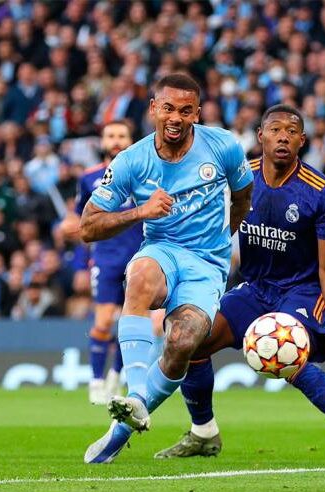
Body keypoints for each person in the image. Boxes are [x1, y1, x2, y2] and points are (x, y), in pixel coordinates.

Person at [153, 105, 325, 463]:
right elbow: (212, 231)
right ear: (260, 136)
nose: (283, 136)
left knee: (288, 356)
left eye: (291, 131)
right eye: (275, 129)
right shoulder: (238, 178)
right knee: (191, 341)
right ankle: (204, 433)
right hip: (255, 287)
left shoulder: (322, 191)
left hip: (302, 290)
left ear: (302, 141)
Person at [81, 73, 254, 463]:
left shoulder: (224, 145)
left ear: (197, 113)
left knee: (182, 342)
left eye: (186, 110)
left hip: (208, 264)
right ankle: (137, 395)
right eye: (168, 108)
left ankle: (123, 425)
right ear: (154, 109)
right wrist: (141, 211)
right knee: (140, 276)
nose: (176, 117)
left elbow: (244, 196)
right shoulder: (131, 160)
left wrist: (224, 239)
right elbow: (87, 227)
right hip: (161, 250)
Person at [61, 120, 163, 405]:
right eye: (111, 136)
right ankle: (95, 382)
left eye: (122, 135)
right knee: (103, 321)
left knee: (131, 320)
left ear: (131, 140)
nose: (116, 140)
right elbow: (84, 225)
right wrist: (82, 264)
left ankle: (115, 379)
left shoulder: (145, 176)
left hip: (139, 259)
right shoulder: (89, 178)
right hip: (105, 259)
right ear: (102, 142)